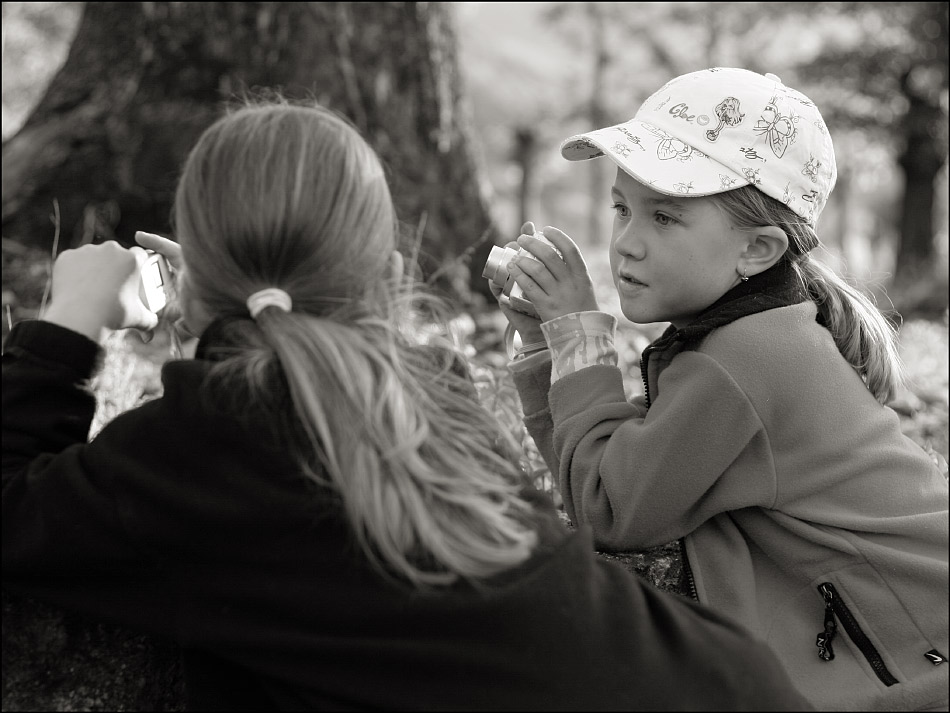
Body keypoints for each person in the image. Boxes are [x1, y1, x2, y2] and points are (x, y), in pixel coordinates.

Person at [1, 99, 813, 711]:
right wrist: (226, 339)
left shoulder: (194, 447)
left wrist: (63, 327)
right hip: (725, 683)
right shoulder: (433, 392)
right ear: (380, 270)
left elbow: (15, 510)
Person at [492, 67, 949, 712]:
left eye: (666, 218)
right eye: (622, 207)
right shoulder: (742, 336)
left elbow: (610, 511)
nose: (627, 242)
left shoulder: (747, 357)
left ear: (758, 250)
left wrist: (576, 339)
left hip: (918, 660)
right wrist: (547, 349)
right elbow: (594, 476)